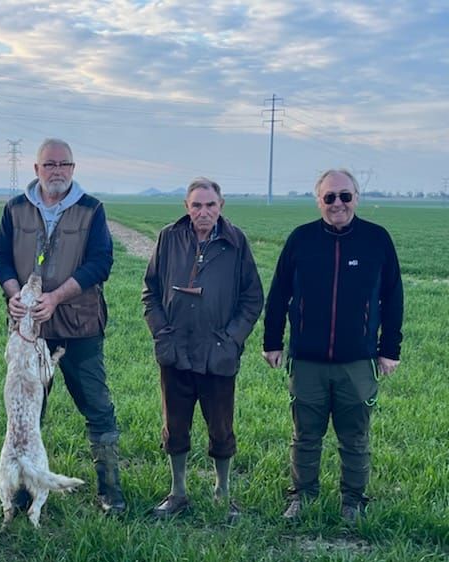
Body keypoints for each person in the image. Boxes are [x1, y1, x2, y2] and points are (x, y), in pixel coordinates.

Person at [0, 138, 126, 515]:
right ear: (35, 169)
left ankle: (109, 490)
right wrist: (15, 294)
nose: (56, 171)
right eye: (49, 165)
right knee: (26, 412)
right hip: (29, 330)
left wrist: (57, 297)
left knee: (97, 407)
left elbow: (101, 263)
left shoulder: (91, 210)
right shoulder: (15, 209)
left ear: (73, 168)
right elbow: (1, 258)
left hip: (79, 327)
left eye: (63, 165)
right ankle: (20, 489)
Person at [262, 168, 404, 524]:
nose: (337, 203)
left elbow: (393, 298)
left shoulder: (377, 240)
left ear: (357, 197)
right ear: (318, 201)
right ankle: (302, 496)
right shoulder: (301, 240)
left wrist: (390, 349)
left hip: (357, 360)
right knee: (305, 435)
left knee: (355, 437)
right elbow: (279, 294)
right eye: (329, 197)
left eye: (344, 195)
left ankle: (353, 501)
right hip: (307, 360)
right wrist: (272, 341)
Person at [142, 177, 263, 520]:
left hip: (218, 353)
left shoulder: (236, 242)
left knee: (221, 426)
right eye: (196, 205)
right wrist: (161, 333)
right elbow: (150, 290)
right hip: (175, 350)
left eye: (210, 205)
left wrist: (232, 339)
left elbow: (252, 297)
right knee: (175, 425)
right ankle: (177, 492)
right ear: (186, 207)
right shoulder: (169, 237)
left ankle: (222, 492)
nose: (203, 212)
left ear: (221, 206)